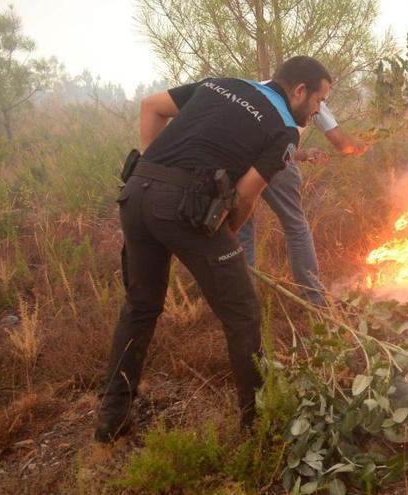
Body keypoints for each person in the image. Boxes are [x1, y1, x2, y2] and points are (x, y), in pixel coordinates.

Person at [94, 56, 332, 443]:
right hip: (182, 207)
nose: (319, 111)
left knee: (140, 309)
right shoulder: (286, 130)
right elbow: (246, 194)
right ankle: (257, 431)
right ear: (299, 91)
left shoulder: (220, 83)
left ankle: (109, 425)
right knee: (243, 315)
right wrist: (226, 240)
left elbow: (151, 106)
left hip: (136, 192)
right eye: (319, 101)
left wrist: (156, 169)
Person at [237, 100, 366, 306]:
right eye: (322, 95)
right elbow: (342, 143)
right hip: (275, 164)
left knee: (241, 228)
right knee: (295, 225)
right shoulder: (310, 97)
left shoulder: (257, 92)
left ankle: (244, 301)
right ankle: (314, 298)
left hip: (238, 158)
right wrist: (360, 144)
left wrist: (303, 155)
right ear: (302, 87)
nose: (321, 101)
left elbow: (264, 140)